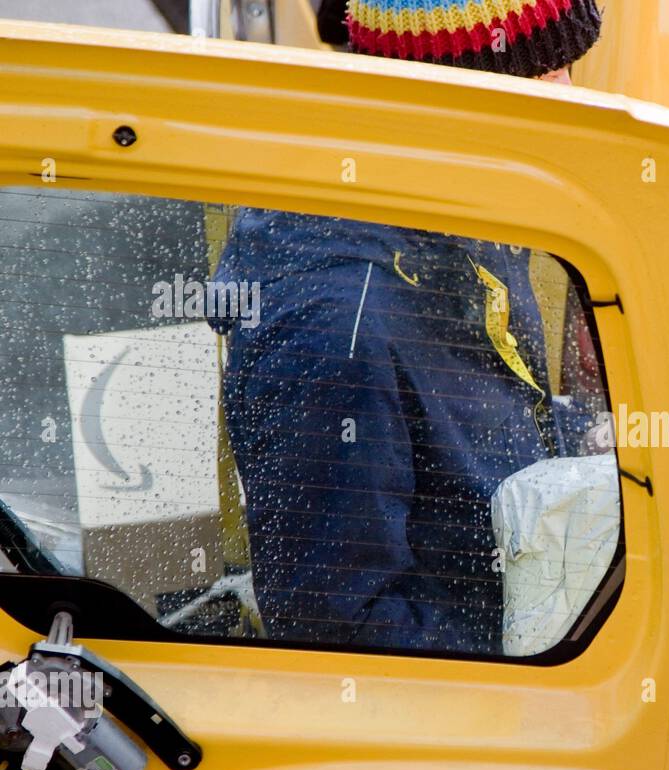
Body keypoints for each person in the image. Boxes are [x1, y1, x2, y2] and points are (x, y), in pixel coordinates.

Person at [212, 0, 605, 654]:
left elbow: (460, 431)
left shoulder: (452, 212)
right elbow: (341, 634)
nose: (570, 94)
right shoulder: (334, 326)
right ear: (457, 101)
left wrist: (579, 437)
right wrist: (534, 678)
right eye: (545, 72)